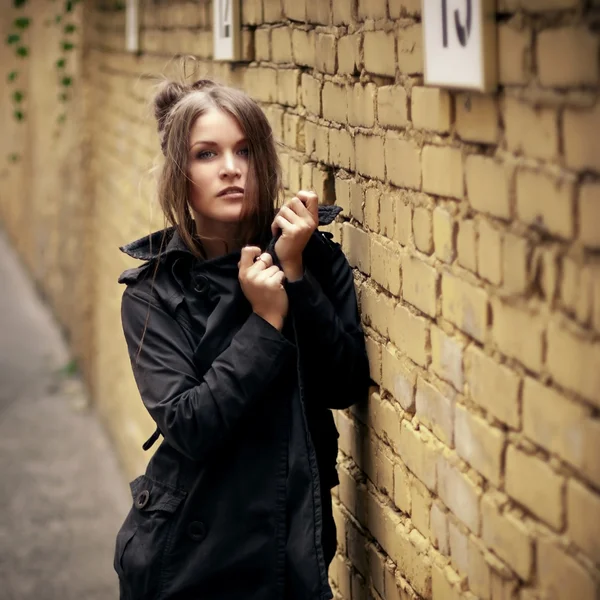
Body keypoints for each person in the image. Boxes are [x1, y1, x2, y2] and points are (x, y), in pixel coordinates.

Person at [114, 76, 370, 600]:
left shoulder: (312, 255)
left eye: (245, 150)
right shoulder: (153, 292)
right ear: (180, 174)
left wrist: (295, 274)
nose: (231, 168)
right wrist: (265, 323)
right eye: (207, 154)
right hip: (188, 552)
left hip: (289, 538)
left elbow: (343, 384)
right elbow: (189, 424)